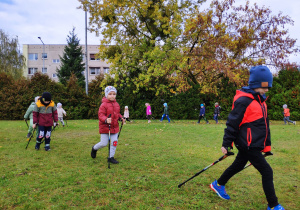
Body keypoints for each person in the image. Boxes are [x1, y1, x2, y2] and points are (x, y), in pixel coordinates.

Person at [210, 65, 284, 210]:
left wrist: (266, 147)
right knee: (267, 171)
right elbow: (232, 123)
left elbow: (265, 127)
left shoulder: (261, 102)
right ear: (256, 84)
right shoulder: (244, 101)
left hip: (254, 144)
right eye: (265, 86)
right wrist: (226, 143)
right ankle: (273, 205)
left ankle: (218, 184)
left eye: (269, 86)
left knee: (238, 165)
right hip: (248, 144)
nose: (267, 89)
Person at [91, 86, 125, 164]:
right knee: (103, 143)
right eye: (110, 94)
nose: (112, 96)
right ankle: (94, 148)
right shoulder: (103, 105)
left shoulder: (117, 104)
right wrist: (106, 119)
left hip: (115, 127)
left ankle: (111, 157)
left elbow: (117, 114)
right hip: (105, 127)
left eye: (114, 94)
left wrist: (121, 118)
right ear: (106, 95)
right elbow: (100, 115)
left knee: (114, 142)